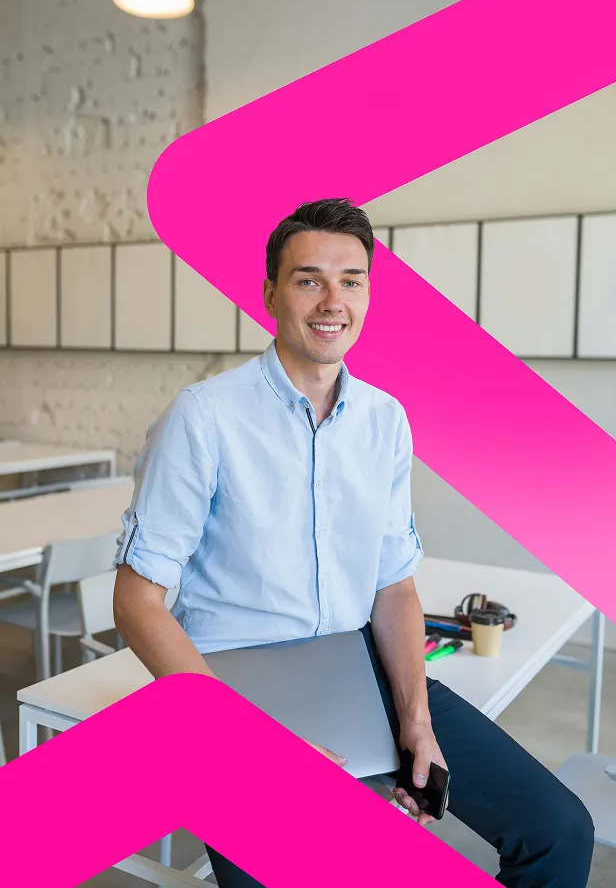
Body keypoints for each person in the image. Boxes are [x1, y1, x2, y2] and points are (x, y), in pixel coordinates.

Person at [113, 198, 594, 888]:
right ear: (270, 295)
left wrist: (416, 720)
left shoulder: (385, 420)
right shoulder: (205, 416)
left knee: (559, 829)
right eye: (308, 279)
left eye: (351, 280)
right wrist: (245, 744)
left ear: (368, 295)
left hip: (354, 666)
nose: (331, 300)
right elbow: (137, 602)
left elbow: (393, 584)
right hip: (234, 689)